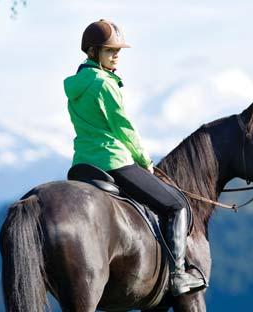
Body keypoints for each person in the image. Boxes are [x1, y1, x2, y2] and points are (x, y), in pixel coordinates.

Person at [63, 19, 206, 296]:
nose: (116, 55)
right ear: (93, 52)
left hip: (82, 163)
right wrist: (144, 160)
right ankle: (177, 276)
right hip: (113, 161)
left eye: (118, 51)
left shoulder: (75, 87)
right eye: (109, 50)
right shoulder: (104, 84)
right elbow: (123, 127)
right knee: (176, 205)